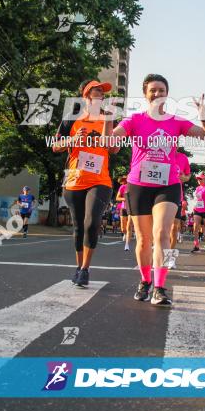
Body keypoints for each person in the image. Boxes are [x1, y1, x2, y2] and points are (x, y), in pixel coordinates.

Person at [111, 73, 205, 306]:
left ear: (167, 94)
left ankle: (160, 287)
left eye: (161, 90)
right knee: (144, 240)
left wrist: (204, 115)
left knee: (162, 234)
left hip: (167, 185)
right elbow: (114, 138)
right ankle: (145, 281)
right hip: (138, 184)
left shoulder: (176, 122)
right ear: (146, 94)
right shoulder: (134, 120)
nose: (157, 94)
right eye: (153, 90)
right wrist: (110, 130)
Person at [52, 80, 117, 288]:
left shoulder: (107, 117)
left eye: (103, 92)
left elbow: (114, 150)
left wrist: (108, 123)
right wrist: (72, 140)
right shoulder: (71, 119)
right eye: (97, 90)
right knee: (79, 227)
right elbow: (55, 146)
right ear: (86, 95)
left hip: (100, 180)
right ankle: (79, 268)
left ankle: (86, 269)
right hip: (74, 180)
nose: (101, 94)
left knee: (91, 223)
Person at [171, 151, 191, 249]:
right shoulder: (156, 153)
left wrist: (184, 178)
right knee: (159, 228)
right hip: (157, 194)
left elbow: (188, 175)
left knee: (174, 228)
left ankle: (169, 258)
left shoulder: (182, 157)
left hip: (176, 195)